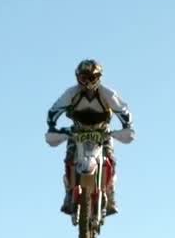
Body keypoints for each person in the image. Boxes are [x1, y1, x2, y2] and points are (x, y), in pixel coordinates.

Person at [46, 59, 135, 215]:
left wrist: (126, 126)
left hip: (102, 131)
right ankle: (68, 193)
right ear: (78, 78)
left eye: (91, 78)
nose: (87, 82)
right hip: (78, 131)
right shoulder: (71, 93)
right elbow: (54, 110)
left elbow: (123, 111)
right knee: (69, 157)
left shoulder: (107, 94)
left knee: (110, 159)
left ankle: (110, 194)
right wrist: (53, 127)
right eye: (83, 78)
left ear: (98, 77)